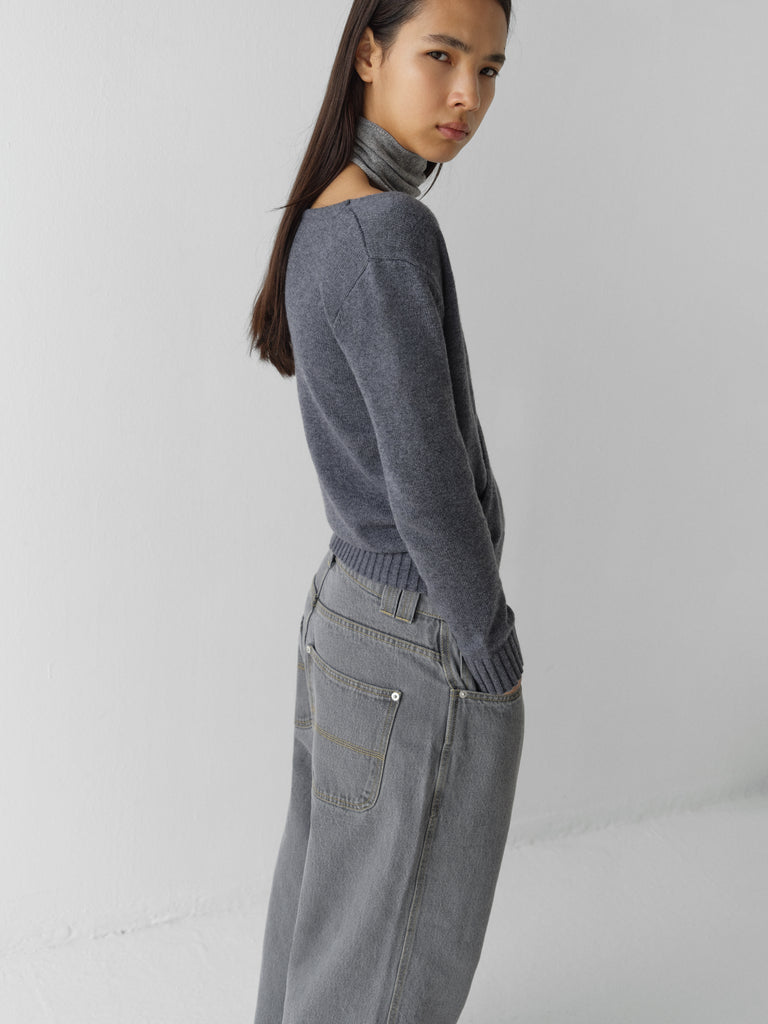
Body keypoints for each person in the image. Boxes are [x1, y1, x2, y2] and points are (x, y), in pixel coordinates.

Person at [249, 1, 525, 1021]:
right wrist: (490, 649)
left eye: (489, 69)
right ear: (369, 52)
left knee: (330, 915)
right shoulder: (388, 233)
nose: (466, 95)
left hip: (346, 614)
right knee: (395, 956)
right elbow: (427, 479)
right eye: (441, 55)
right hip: (416, 638)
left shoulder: (326, 214)